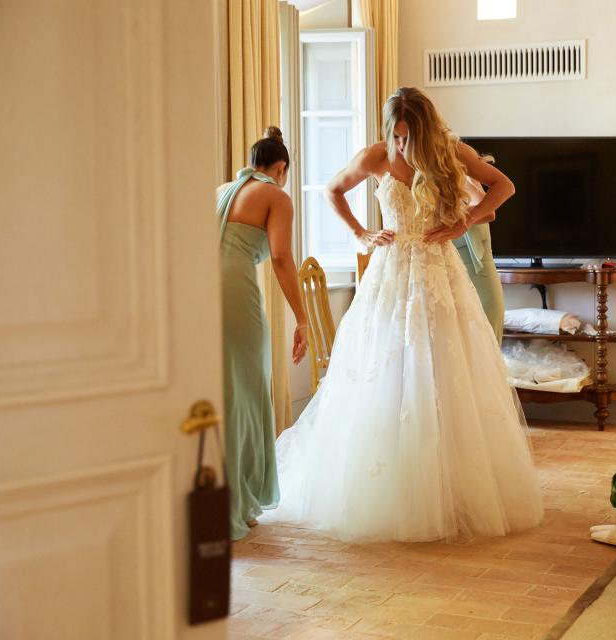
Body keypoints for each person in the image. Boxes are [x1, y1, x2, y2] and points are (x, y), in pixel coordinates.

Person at [264, 88, 543, 542]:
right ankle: (391, 484)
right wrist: (361, 232)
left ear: (426, 128)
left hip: (438, 273)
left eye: (410, 135)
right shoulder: (376, 156)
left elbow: (505, 186)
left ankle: (453, 491)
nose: (403, 145)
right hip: (390, 275)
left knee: (446, 372)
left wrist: (464, 222)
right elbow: (333, 189)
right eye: (396, 135)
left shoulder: (452, 152)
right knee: (387, 371)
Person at [216, 127, 309, 541]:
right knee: (248, 390)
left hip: (196, 290)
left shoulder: (222, 190)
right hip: (234, 289)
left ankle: (223, 497)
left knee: (220, 391)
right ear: (281, 168)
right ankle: (240, 500)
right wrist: (302, 318)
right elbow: (281, 257)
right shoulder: (276, 195)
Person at [455, 154, 506, 343]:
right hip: (453, 278)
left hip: (482, 277)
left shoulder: (470, 185)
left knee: (490, 341)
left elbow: (489, 213)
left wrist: (467, 177)